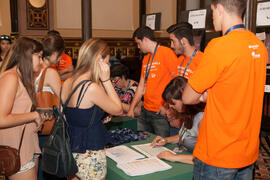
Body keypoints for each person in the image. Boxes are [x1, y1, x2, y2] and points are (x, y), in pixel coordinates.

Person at [182, 0, 268, 179]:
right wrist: (211, 95)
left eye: (212, 12)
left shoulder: (219, 46)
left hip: (217, 153)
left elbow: (188, 97)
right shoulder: (259, 47)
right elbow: (237, 89)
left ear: (220, 9)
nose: (212, 18)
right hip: (247, 152)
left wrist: (206, 95)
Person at [61, 38, 122, 180]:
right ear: (98, 61)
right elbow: (118, 109)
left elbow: (71, 116)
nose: (107, 66)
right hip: (90, 151)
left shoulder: (68, 82)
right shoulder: (90, 87)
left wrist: (95, 119)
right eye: (106, 62)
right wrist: (106, 80)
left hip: (71, 149)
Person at [0, 37, 49, 180]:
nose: (41, 61)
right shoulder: (11, 77)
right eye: (39, 57)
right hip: (16, 149)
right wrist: (33, 115)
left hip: (27, 147)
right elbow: (1, 118)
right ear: (26, 55)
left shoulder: (20, 78)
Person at [127, 26, 178, 137]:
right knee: (142, 142)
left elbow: (177, 83)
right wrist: (131, 108)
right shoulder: (146, 59)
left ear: (145, 39)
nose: (138, 47)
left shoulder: (167, 53)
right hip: (144, 110)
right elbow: (141, 86)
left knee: (160, 146)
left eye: (138, 43)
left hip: (160, 112)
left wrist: (166, 106)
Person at [151, 76, 204, 165]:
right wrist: (166, 140)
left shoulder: (202, 119)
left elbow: (207, 158)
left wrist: (174, 157)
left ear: (184, 99)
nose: (171, 106)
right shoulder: (187, 113)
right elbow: (185, 136)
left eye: (173, 103)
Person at [165, 22, 204, 135]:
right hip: (181, 119)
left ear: (183, 41)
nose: (171, 45)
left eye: (173, 41)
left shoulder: (203, 61)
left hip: (196, 122)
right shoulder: (179, 60)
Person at [36, 33, 64, 180]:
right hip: (49, 131)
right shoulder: (50, 72)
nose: (59, 59)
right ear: (54, 53)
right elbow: (63, 100)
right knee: (51, 170)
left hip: (34, 129)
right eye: (59, 55)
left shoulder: (32, 69)